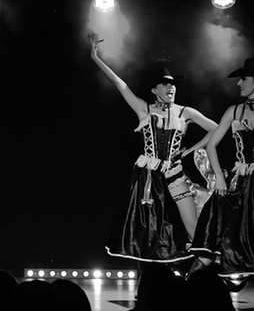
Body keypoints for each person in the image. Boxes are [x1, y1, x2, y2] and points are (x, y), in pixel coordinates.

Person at [88, 33, 218, 265]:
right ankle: (152, 277)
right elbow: (120, 85)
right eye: (165, 84)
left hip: (174, 174)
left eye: (172, 84)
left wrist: (191, 151)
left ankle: (201, 275)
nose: (170, 87)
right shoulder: (144, 109)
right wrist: (96, 58)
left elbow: (216, 129)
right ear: (154, 90)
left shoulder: (185, 112)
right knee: (147, 232)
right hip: (148, 177)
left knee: (194, 229)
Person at [187, 57, 254, 289]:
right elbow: (211, 145)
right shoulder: (234, 111)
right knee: (213, 233)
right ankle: (186, 289)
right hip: (240, 185)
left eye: (244, 78)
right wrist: (219, 176)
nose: (239, 83)